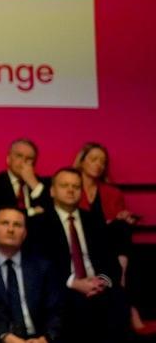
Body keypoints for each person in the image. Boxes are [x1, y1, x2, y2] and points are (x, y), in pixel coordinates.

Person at [26, 167, 128, 341]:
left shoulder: (94, 221)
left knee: (117, 301)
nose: (71, 190)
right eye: (64, 185)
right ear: (52, 191)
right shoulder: (38, 224)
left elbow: (112, 264)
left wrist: (101, 282)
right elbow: (38, 265)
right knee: (69, 305)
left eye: (76, 186)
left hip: (99, 287)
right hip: (62, 288)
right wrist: (73, 282)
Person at [72, 141, 150, 334]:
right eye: (94, 159)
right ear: (81, 162)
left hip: (108, 246)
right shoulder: (70, 187)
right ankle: (124, 295)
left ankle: (120, 282)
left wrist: (121, 218)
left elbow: (115, 222)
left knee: (122, 227)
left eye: (102, 162)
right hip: (81, 240)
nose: (98, 164)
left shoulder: (112, 192)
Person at [0, 208, 62, 343]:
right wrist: (4, 336)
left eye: (17, 225)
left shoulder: (42, 267)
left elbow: (56, 311)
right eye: (5, 223)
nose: (11, 229)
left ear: (25, 233)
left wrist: (45, 338)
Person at [0, 139, 49, 217]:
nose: (23, 161)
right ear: (8, 159)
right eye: (19, 156)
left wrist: (33, 183)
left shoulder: (42, 184)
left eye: (29, 158)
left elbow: (50, 211)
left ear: (34, 164)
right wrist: (31, 211)